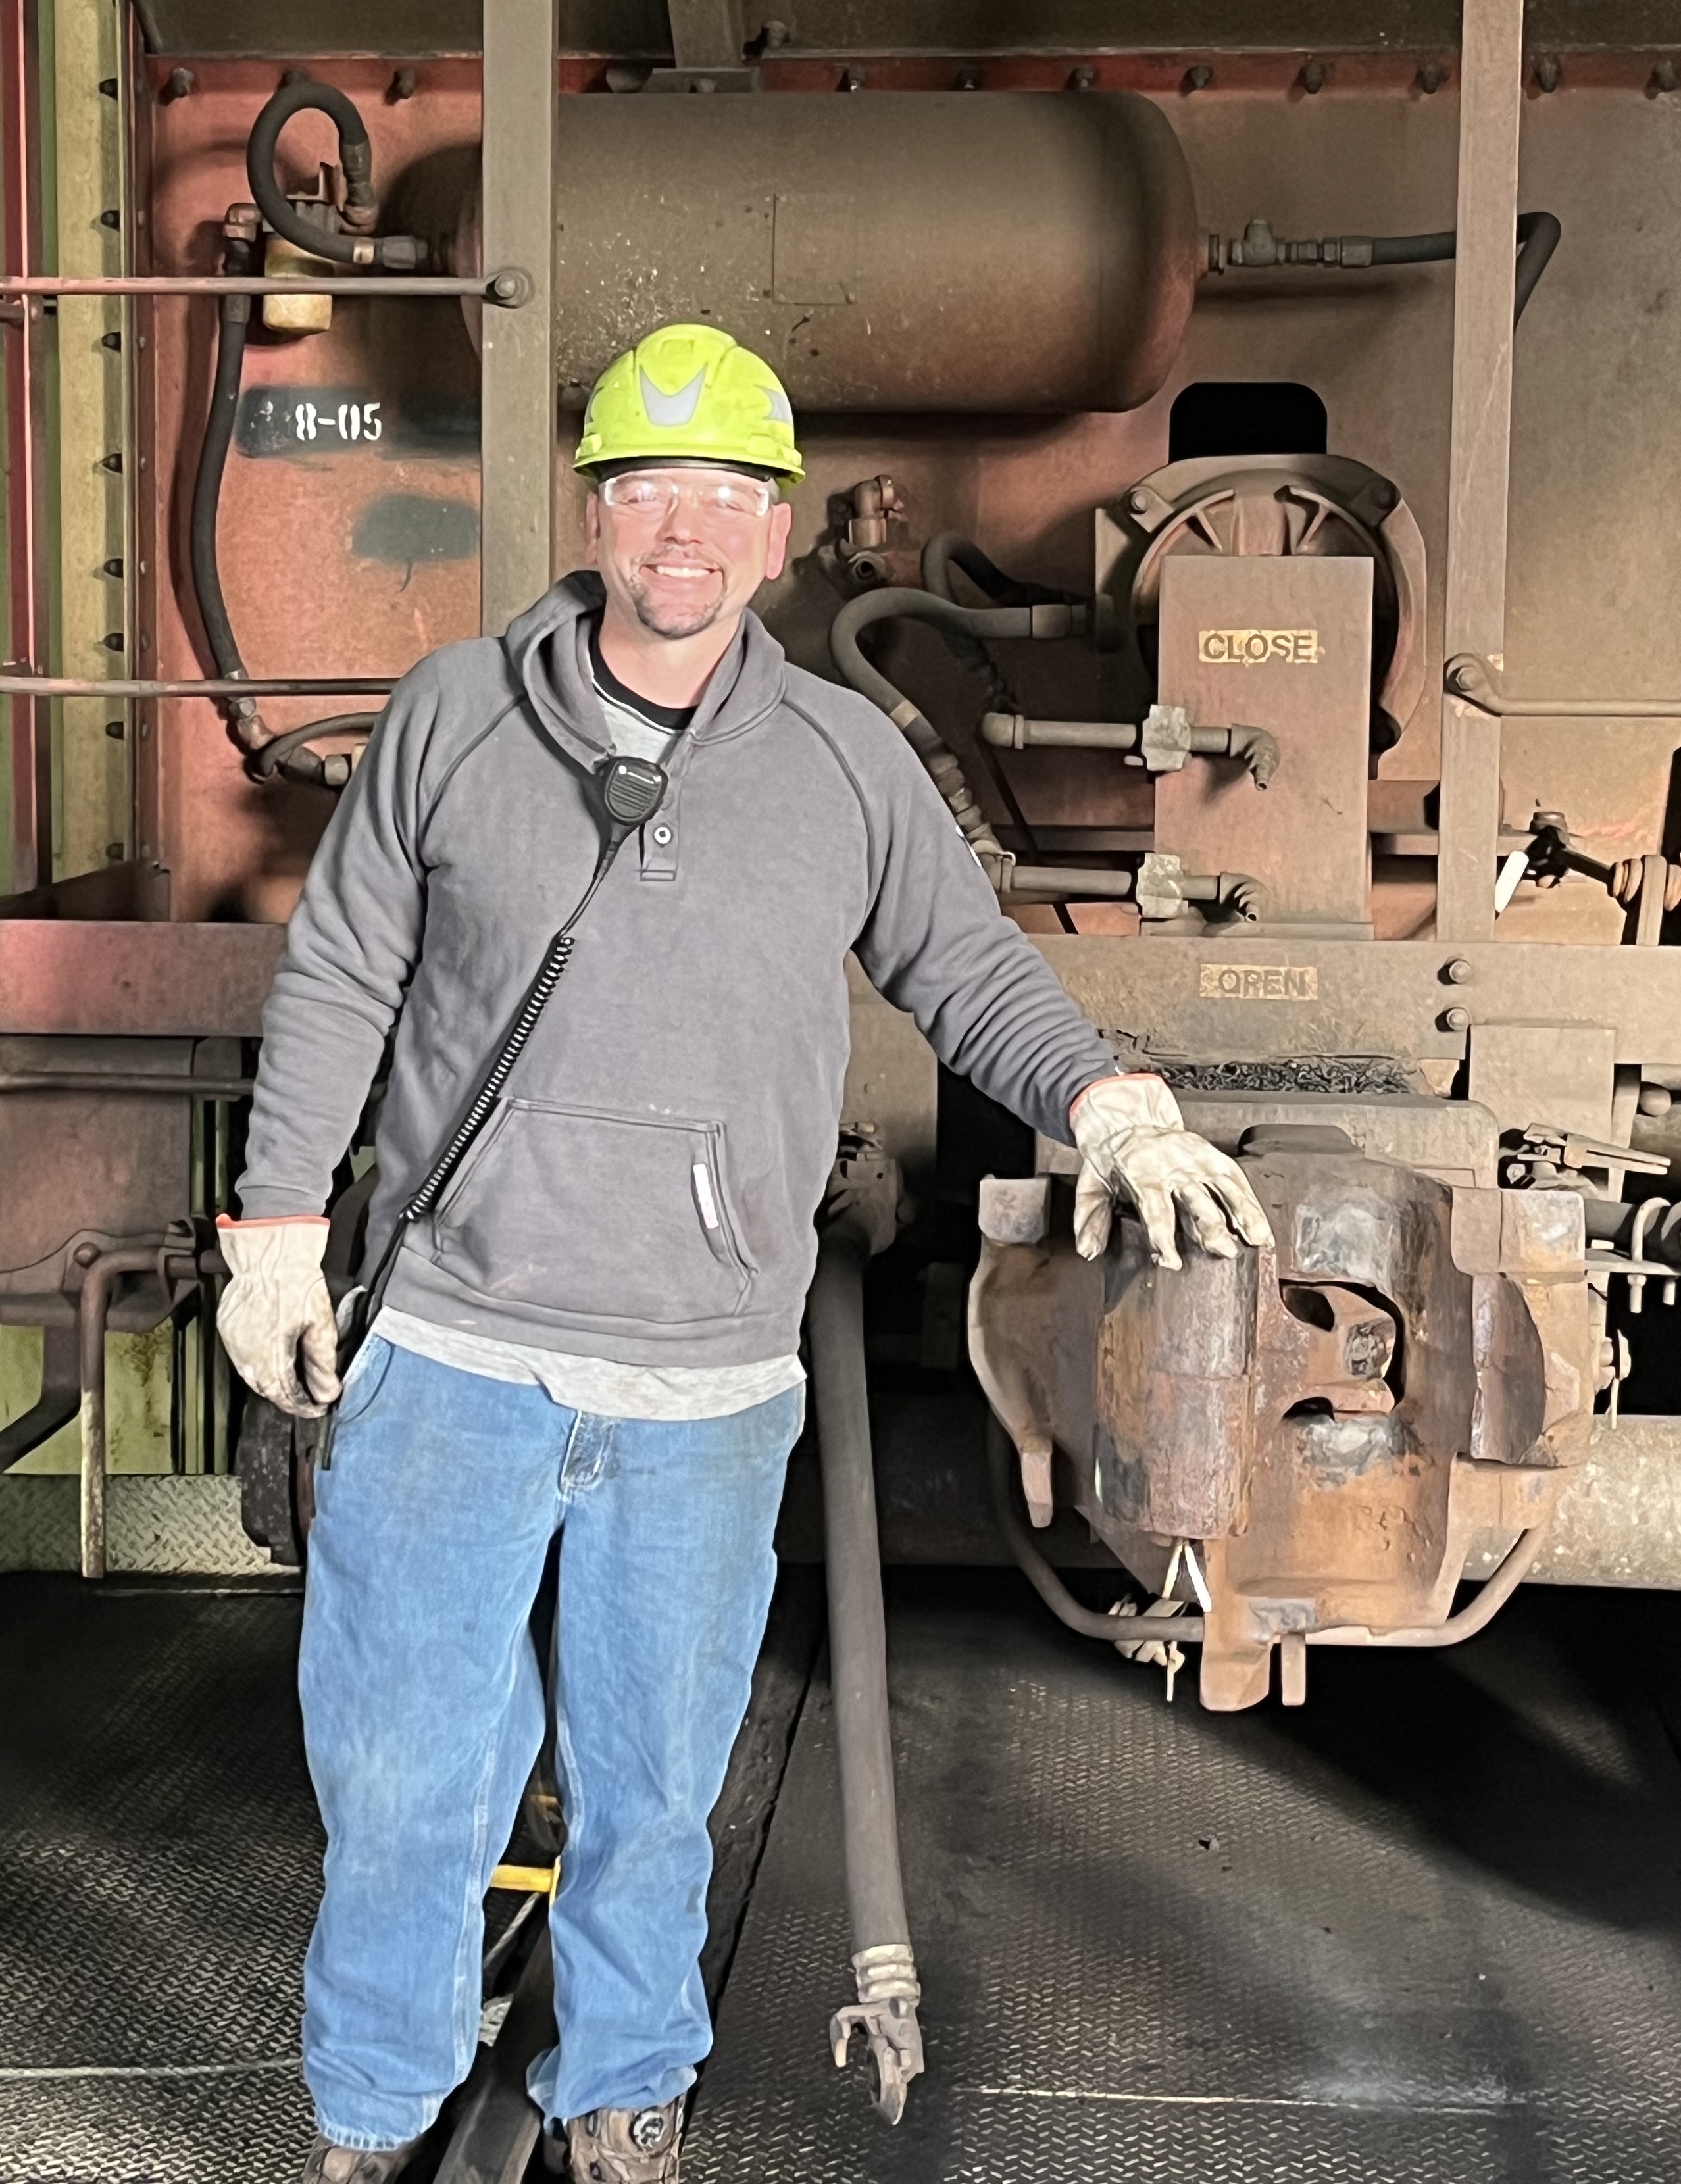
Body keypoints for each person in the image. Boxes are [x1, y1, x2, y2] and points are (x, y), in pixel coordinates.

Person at [216, 322, 1272, 2184]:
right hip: (454, 1344)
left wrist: (1112, 1104)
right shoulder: (457, 717)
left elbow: (965, 969)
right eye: (648, 491)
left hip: (703, 1377)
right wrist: (280, 1237)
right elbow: (339, 979)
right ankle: (375, 2104)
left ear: (774, 535)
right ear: (596, 511)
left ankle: (624, 2085)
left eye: (723, 498)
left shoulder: (846, 761)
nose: (683, 534)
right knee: (400, 1781)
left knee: (653, 1786)